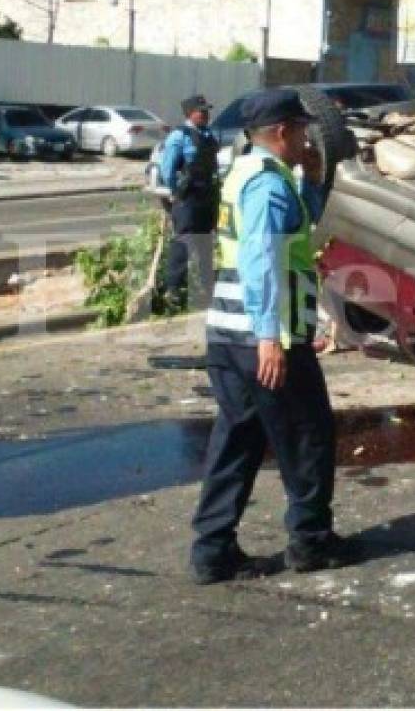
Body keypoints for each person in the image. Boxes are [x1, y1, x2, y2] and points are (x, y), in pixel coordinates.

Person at [189, 88, 353, 585]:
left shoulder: (250, 172)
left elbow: (291, 233)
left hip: (230, 335)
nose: (308, 137)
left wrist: (316, 181)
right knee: (308, 437)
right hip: (265, 338)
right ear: (283, 132)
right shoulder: (266, 185)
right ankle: (311, 543)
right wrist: (270, 340)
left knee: (237, 440)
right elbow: (262, 261)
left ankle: (212, 552)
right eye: (302, 130)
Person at [160, 95, 221, 310]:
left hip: (208, 196)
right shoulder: (179, 136)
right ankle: (173, 289)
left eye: (207, 110)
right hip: (188, 197)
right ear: (189, 113)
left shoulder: (209, 134)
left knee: (205, 243)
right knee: (183, 241)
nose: (205, 114)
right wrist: (175, 191)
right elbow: (167, 169)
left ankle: (207, 289)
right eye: (201, 111)